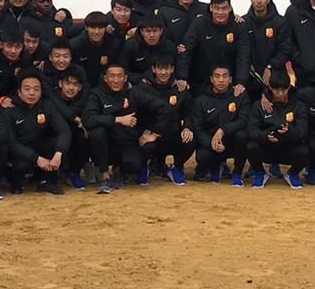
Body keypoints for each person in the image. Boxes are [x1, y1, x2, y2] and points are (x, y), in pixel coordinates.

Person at [0, 73, 70, 194]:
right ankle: (12, 181)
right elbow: (11, 142)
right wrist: (36, 159)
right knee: (21, 165)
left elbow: (63, 129)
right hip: (18, 152)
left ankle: (48, 181)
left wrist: (59, 153)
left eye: (36, 89)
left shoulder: (47, 105)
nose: (32, 93)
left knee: (57, 144)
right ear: (19, 91)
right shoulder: (8, 109)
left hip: (38, 145)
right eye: (27, 89)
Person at [133, 53, 193, 185]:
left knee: (191, 140)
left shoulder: (180, 88)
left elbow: (188, 112)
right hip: (150, 134)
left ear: (172, 69)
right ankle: (144, 167)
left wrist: (187, 127)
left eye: (167, 69)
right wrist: (148, 133)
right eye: (160, 68)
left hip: (172, 133)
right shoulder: (143, 88)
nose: (164, 72)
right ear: (153, 69)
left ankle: (176, 167)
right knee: (146, 145)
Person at [84, 63, 143, 193]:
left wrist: (151, 132)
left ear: (125, 78)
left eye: (119, 76)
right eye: (112, 76)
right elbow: (88, 119)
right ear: (105, 78)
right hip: (104, 144)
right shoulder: (96, 94)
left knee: (134, 164)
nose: (116, 80)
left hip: (126, 141)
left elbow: (154, 108)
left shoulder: (133, 93)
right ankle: (103, 172)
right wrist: (117, 120)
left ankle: (119, 170)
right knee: (97, 132)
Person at [245, 70, 308, 189]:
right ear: (270, 88)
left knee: (304, 150)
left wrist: (289, 132)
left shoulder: (299, 105)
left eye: (283, 90)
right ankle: (260, 173)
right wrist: (265, 136)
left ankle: (293, 174)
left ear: (289, 87)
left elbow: (303, 131)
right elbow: (251, 129)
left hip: (288, 148)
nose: (280, 93)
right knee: (250, 146)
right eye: (276, 90)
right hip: (267, 147)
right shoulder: (259, 105)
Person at [190, 65, 248, 186]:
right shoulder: (201, 100)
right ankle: (214, 168)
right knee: (203, 156)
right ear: (211, 79)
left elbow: (243, 121)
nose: (221, 80)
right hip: (211, 142)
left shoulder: (240, 97)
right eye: (217, 76)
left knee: (242, 136)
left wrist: (223, 130)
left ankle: (237, 173)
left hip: (231, 141)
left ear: (231, 79)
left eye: (225, 76)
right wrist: (212, 143)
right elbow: (198, 128)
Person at [185, 0, 249, 91]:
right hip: (201, 83)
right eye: (217, 8)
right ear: (211, 8)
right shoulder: (199, 24)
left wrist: (241, 82)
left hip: (230, 84)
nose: (220, 12)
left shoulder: (239, 26)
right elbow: (186, 51)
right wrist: (182, 77)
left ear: (230, 8)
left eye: (224, 8)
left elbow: (243, 56)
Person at [46, 67, 92, 190]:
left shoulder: (84, 98)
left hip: (74, 133)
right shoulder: (51, 97)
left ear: (80, 87)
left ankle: (74, 173)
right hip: (53, 134)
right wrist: (74, 118)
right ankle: (51, 176)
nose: (71, 88)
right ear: (60, 84)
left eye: (75, 84)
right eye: (68, 83)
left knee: (85, 137)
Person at [243, 0, 286, 95]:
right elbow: (241, 49)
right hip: (250, 79)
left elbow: (285, 50)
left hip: (275, 78)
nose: (259, 1)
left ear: (268, 0)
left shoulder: (280, 22)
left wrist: (270, 67)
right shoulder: (243, 22)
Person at [69, 11, 122, 82]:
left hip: (106, 82)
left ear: (105, 28)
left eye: (100, 28)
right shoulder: (75, 45)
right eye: (93, 28)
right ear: (86, 28)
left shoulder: (114, 43)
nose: (96, 32)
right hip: (81, 82)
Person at [122, 17, 179, 84]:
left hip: (164, 82)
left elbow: (176, 68)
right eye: (148, 31)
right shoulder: (131, 45)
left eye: (155, 31)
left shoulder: (170, 46)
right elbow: (123, 70)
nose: (151, 35)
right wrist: (139, 79)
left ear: (161, 31)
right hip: (139, 83)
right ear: (141, 31)